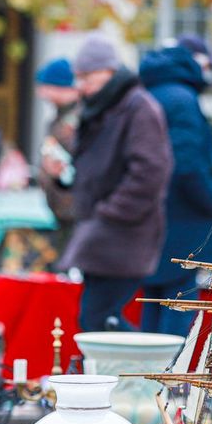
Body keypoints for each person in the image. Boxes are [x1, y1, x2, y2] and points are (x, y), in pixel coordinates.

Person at [55, 33, 172, 332]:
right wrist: (66, 179)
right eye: (77, 77)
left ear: (109, 71)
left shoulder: (138, 107)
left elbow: (151, 171)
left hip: (122, 233)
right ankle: (144, 373)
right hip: (100, 231)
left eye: (87, 76)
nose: (80, 85)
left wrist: (110, 212)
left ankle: (151, 371)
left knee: (97, 321)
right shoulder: (101, 108)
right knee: (96, 320)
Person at [139, 37, 212, 336]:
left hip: (156, 219)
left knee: (153, 310)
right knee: (175, 317)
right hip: (183, 226)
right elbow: (188, 166)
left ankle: (149, 380)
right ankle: (169, 382)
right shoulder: (182, 100)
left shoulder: (152, 92)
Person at [35, 57, 80, 254]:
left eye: (45, 85)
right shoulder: (59, 117)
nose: (41, 92)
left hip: (75, 208)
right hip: (63, 207)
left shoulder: (78, 119)